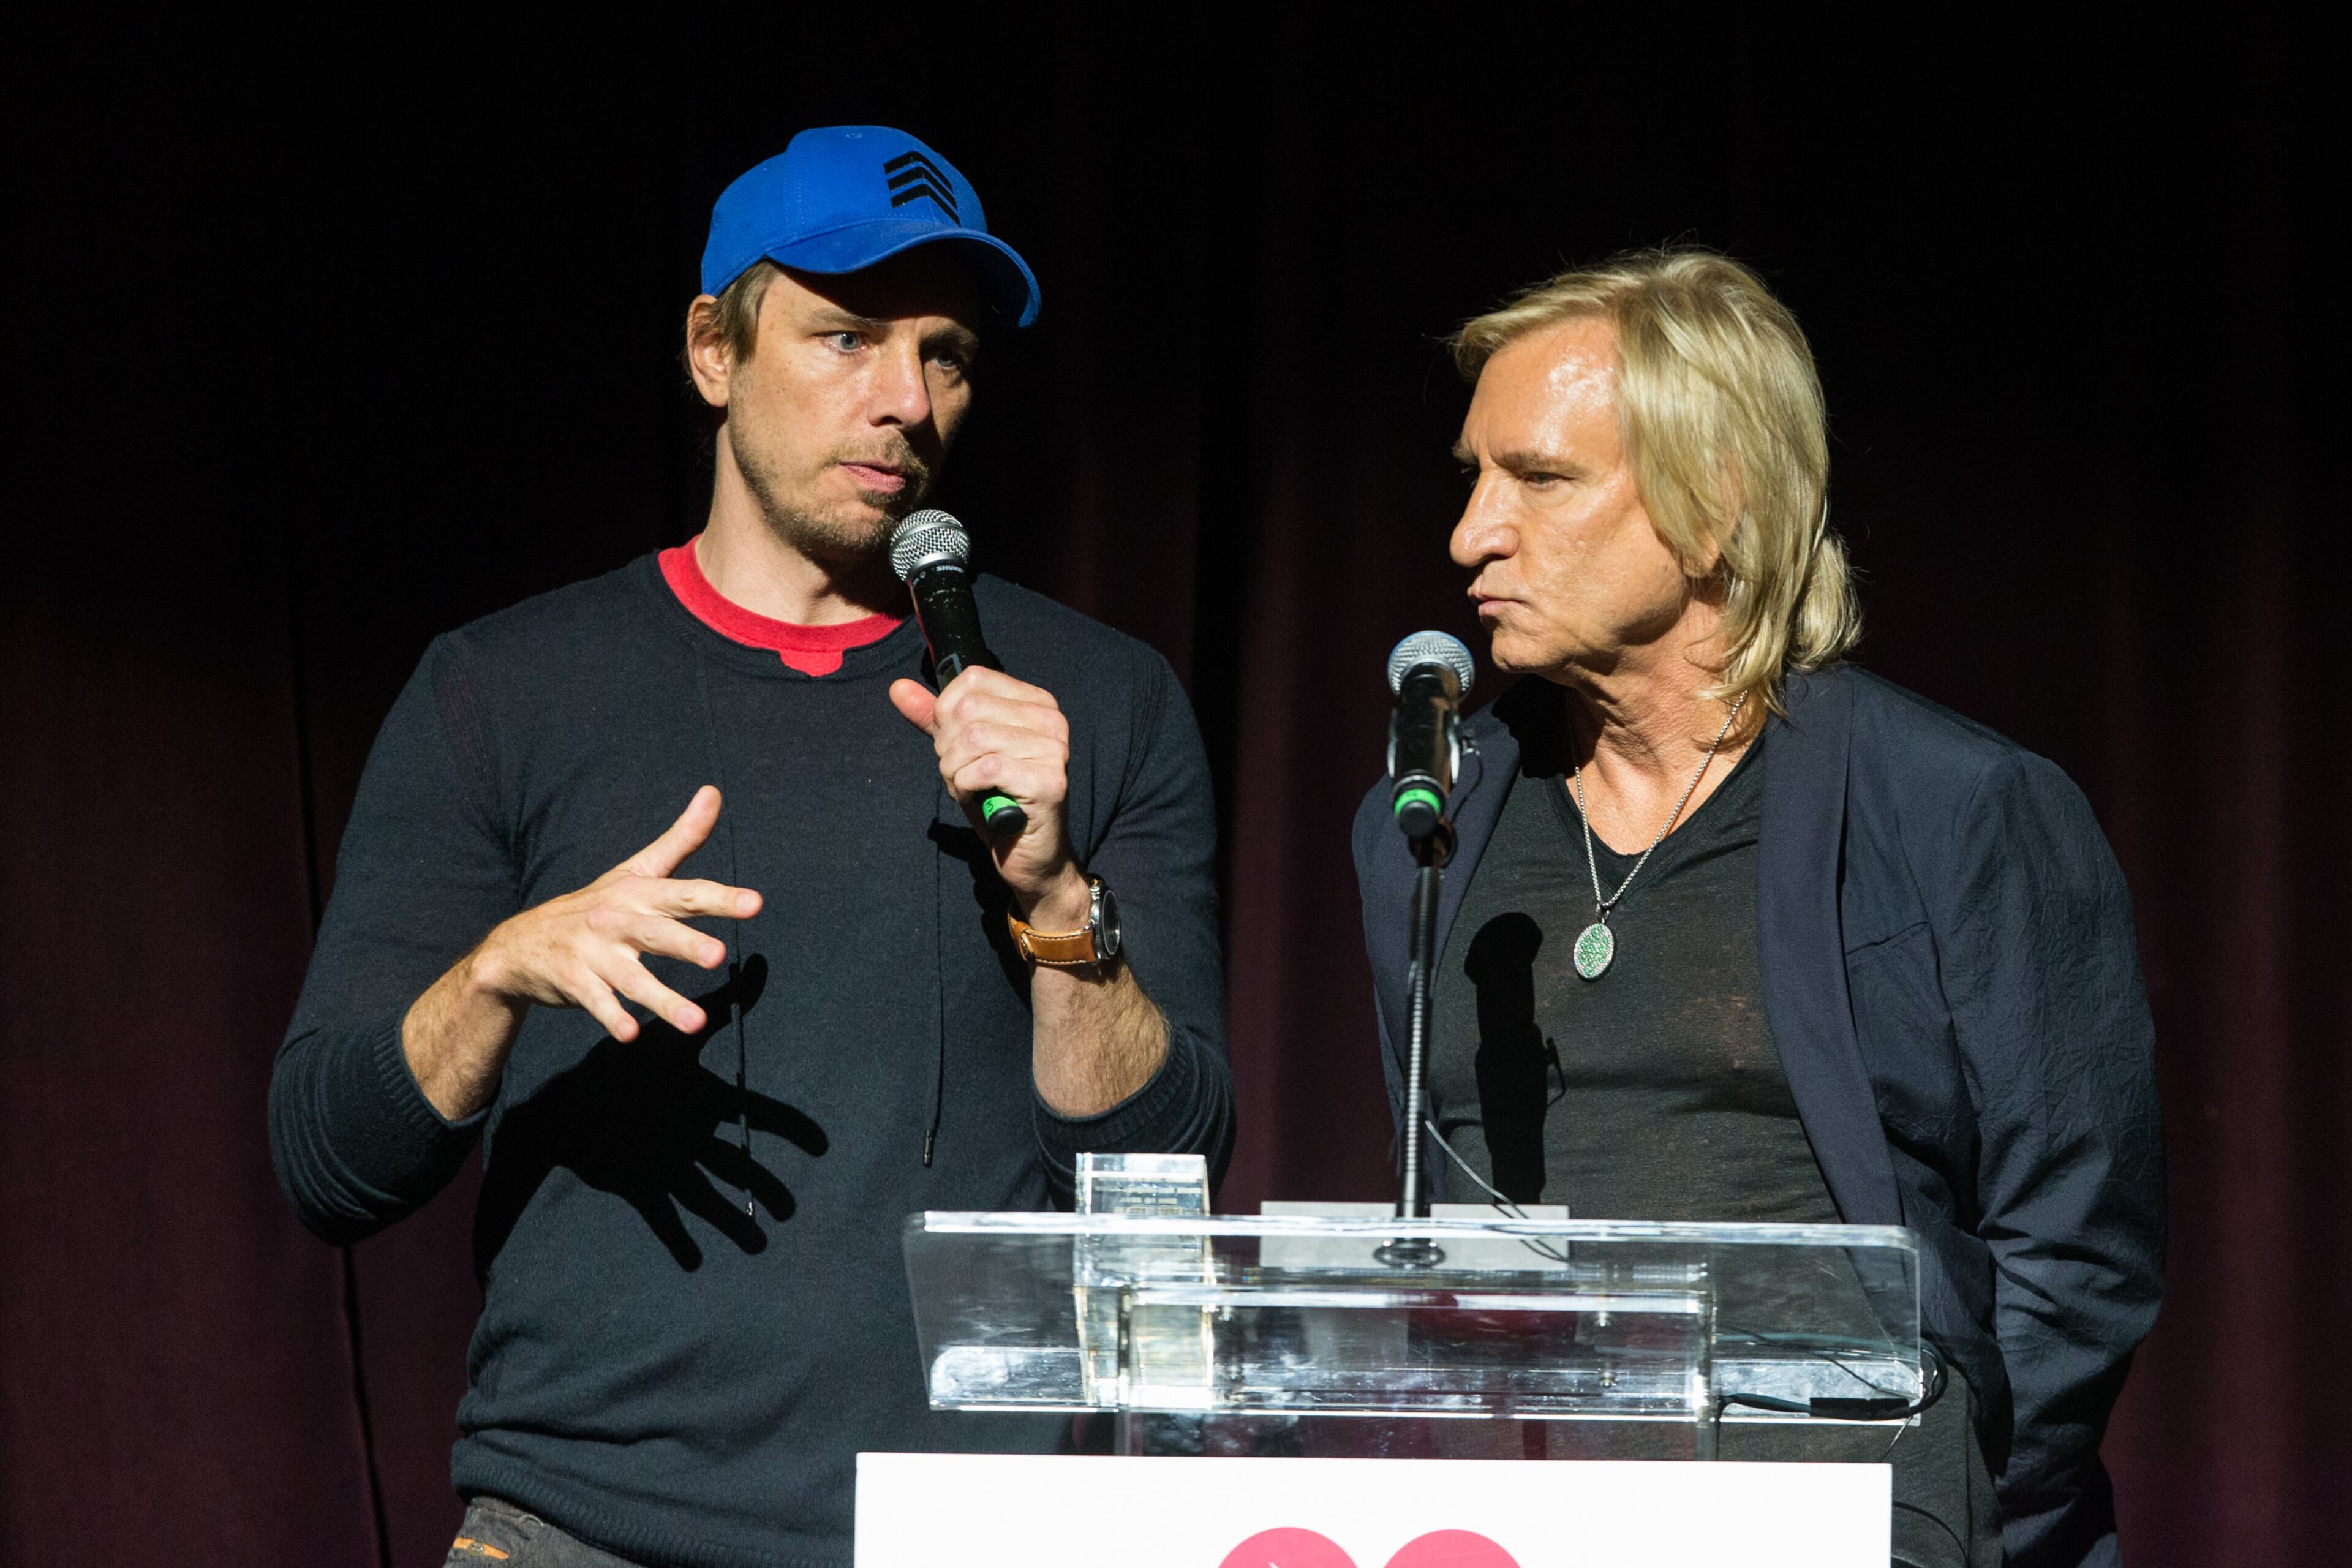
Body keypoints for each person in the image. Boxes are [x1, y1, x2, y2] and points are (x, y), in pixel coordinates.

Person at [271, 126, 1232, 1568]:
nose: (905, 400)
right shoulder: (505, 686)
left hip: (971, 1530)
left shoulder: (1095, 701)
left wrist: (1051, 900)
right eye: (846, 335)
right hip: (581, 1526)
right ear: (713, 351)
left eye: (948, 353)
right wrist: (498, 973)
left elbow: (1166, 1173)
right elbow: (329, 1161)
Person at [1351, 251, 2162, 1568]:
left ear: (1711, 501)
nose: (1470, 533)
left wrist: (1931, 1503)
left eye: (1540, 478)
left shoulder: (1960, 808)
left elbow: (2080, 1251)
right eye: (1472, 476)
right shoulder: (1427, 827)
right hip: (1512, 1514)